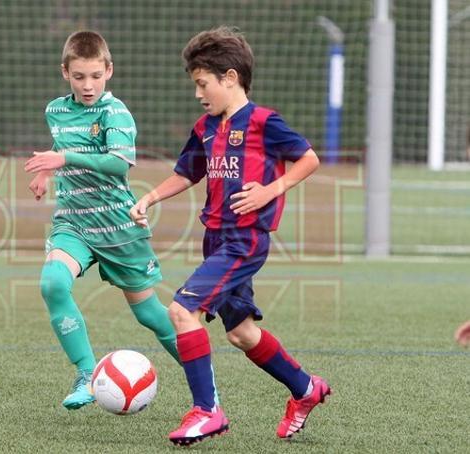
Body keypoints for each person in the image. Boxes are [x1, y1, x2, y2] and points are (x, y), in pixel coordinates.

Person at [130, 26, 330, 446]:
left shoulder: (263, 122)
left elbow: (308, 159)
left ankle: (207, 411)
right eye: (195, 85)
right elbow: (187, 172)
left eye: (203, 84)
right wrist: (148, 198)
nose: (199, 93)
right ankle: (306, 388)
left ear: (230, 78)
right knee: (240, 333)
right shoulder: (205, 126)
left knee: (181, 310)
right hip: (215, 240)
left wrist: (270, 190)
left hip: (244, 241)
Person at [24, 30, 180, 410]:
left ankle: (204, 381)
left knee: (150, 315)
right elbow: (63, 149)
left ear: (109, 70)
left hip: (118, 225)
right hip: (74, 221)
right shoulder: (55, 110)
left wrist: (63, 160)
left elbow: (116, 163)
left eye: (95, 75)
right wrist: (47, 172)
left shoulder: (115, 112)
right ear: (65, 73)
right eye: (79, 77)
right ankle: (86, 374)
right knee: (52, 284)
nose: (88, 85)